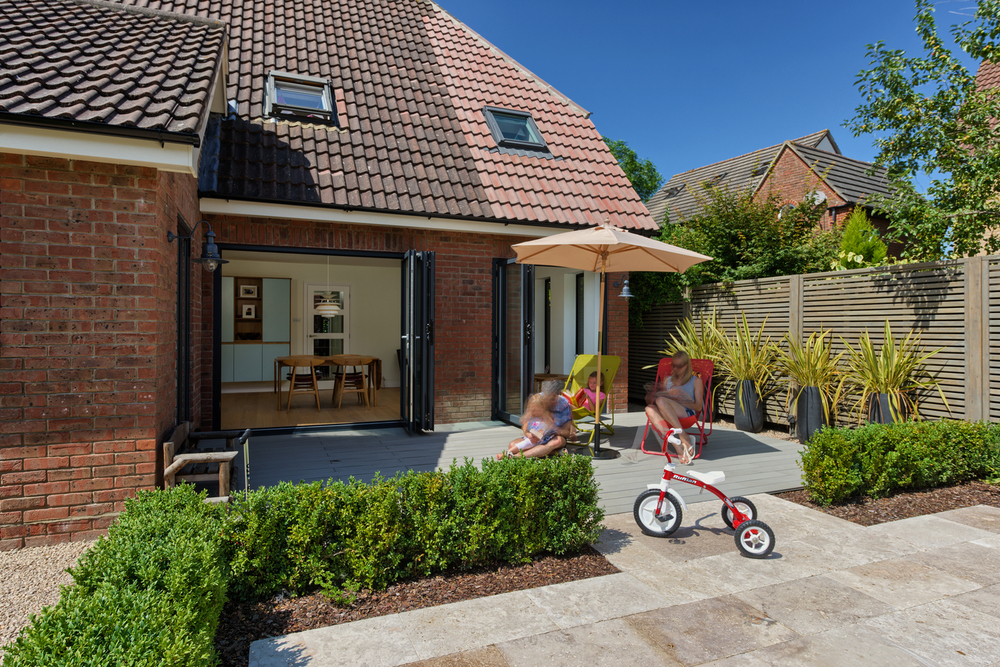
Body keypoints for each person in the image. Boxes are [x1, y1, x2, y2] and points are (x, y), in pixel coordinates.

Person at [645, 351, 703, 465]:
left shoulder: (695, 381)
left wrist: (683, 399)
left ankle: (682, 435)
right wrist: (653, 394)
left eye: (679, 366)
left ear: (687, 366)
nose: (675, 369)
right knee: (649, 408)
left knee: (661, 401)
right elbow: (659, 402)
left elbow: (698, 406)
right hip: (668, 412)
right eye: (673, 365)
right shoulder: (668, 380)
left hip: (686, 412)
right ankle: (677, 445)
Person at [500, 380, 574, 459]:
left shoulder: (564, 404)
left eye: (552, 398)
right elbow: (525, 423)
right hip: (534, 438)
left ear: (557, 395)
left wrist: (557, 430)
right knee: (512, 445)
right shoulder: (535, 400)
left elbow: (568, 432)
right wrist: (528, 434)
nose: (549, 401)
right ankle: (552, 452)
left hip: (553, 438)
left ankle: (517, 456)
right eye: (546, 398)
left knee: (557, 441)